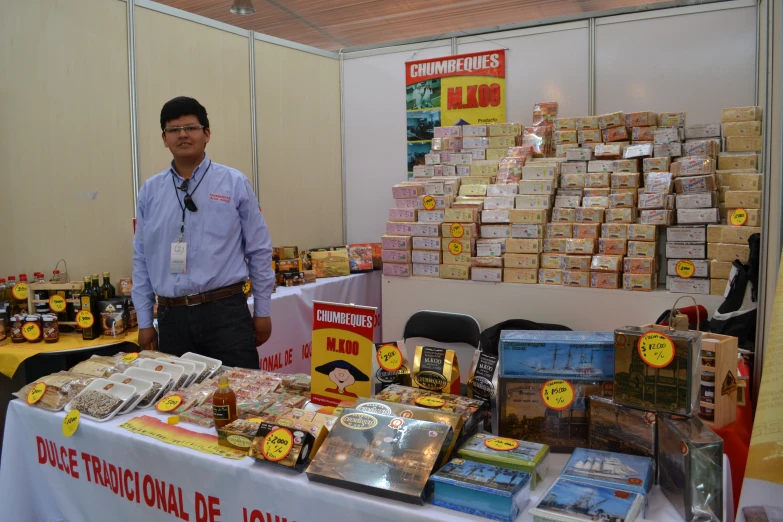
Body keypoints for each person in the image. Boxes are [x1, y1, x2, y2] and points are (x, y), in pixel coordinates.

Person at [132, 96, 274, 368]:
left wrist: (263, 310)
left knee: (239, 398)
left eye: (191, 127)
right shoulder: (150, 191)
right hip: (171, 316)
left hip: (226, 313)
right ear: (164, 139)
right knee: (178, 401)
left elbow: (259, 249)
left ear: (206, 134)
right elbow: (141, 257)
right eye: (173, 130)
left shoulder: (233, 183)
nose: (182, 135)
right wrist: (144, 321)